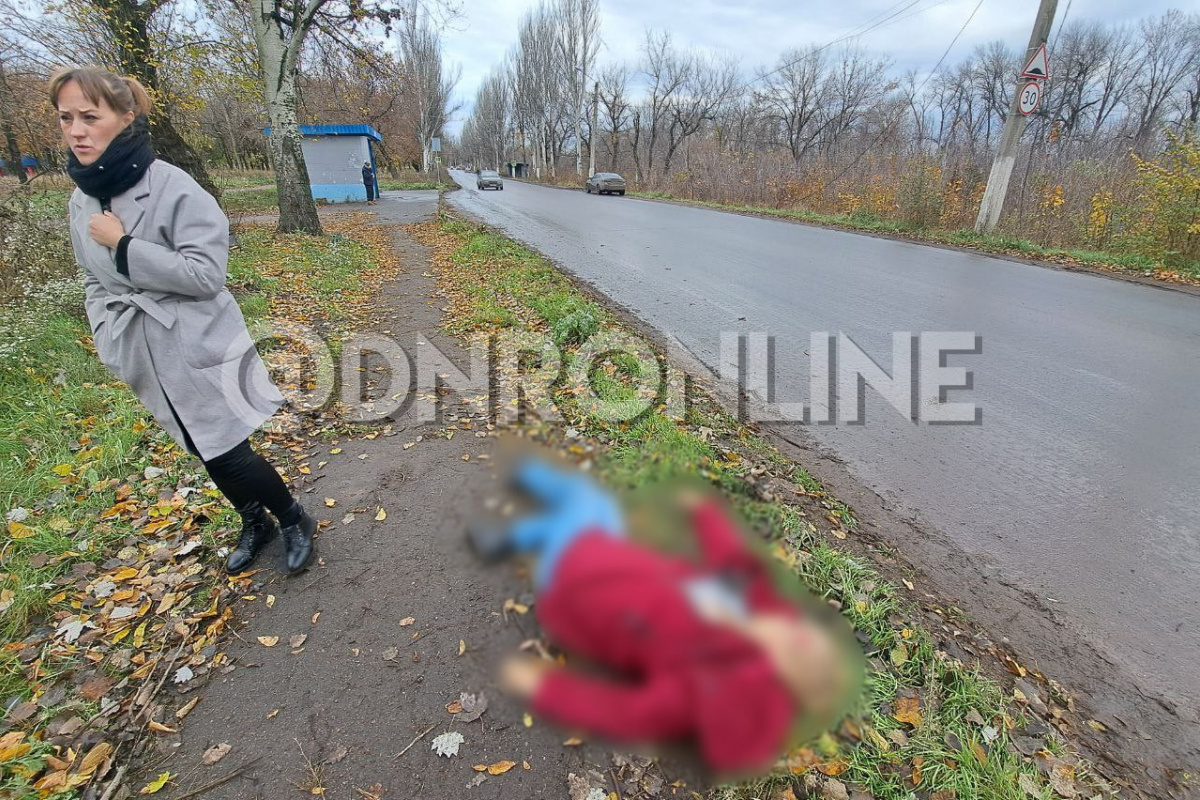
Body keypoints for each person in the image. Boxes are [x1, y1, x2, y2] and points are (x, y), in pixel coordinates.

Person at [51, 66, 316, 576]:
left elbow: (205, 275)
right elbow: (90, 278)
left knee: (228, 449)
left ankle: (292, 517)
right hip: (139, 346)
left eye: (90, 116)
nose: (76, 130)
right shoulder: (80, 198)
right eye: (66, 118)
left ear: (126, 117)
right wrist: (106, 337)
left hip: (195, 341)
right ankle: (253, 521)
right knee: (199, 447)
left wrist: (125, 246)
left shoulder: (173, 187)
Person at [472, 461, 857, 774]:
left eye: (796, 641)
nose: (791, 623)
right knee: (596, 511)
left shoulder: (704, 680)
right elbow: (736, 566)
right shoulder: (759, 613)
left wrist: (544, 688)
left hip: (573, 593)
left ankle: (516, 517)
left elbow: (625, 713)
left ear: (771, 668)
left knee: (582, 502)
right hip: (612, 563)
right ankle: (525, 505)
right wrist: (706, 515)